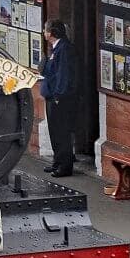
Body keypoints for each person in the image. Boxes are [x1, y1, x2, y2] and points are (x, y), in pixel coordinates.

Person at [39, 19, 78, 177]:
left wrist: (58, 95)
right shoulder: (54, 49)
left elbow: (63, 75)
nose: (43, 32)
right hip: (51, 96)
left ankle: (64, 166)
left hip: (59, 99)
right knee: (54, 132)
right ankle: (57, 162)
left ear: (51, 33)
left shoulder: (64, 49)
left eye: (45, 30)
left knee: (61, 132)